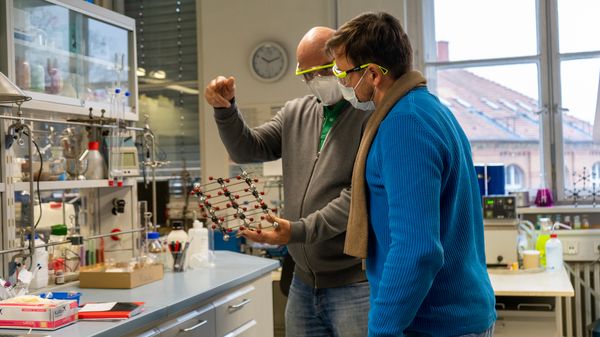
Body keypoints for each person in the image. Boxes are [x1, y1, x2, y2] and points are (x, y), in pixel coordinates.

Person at [325, 12, 496, 337]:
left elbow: (417, 249)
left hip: (436, 324)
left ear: (373, 74)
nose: (342, 83)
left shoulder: (404, 126)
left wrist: (381, 329)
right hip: (454, 315)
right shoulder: (429, 109)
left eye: (344, 73)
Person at [204, 26, 372, 337]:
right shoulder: (296, 112)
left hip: (353, 284)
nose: (313, 82)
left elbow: (358, 197)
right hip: (303, 282)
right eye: (305, 75)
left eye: (319, 72)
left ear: (342, 60)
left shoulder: (368, 116)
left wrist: (297, 231)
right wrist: (225, 111)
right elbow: (248, 149)